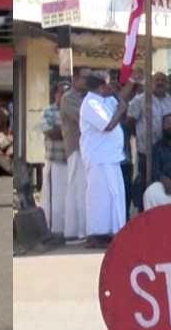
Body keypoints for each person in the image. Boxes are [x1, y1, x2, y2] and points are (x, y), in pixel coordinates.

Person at [79, 73, 131, 248]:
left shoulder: (104, 100)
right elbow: (108, 126)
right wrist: (121, 110)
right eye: (108, 85)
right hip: (99, 158)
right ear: (101, 87)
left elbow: (120, 101)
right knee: (100, 198)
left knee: (114, 196)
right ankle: (97, 234)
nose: (111, 87)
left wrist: (118, 93)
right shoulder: (91, 103)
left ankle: (113, 232)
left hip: (110, 157)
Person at [127, 73, 171, 211]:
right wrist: (140, 135)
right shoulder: (140, 100)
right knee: (146, 182)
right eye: (157, 80)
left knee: (164, 182)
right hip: (146, 150)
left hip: (167, 150)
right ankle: (144, 214)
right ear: (151, 82)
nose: (160, 83)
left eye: (163, 80)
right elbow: (130, 122)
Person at [58, 67, 89, 241]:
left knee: (86, 191)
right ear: (75, 79)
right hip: (76, 149)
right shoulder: (69, 98)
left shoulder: (86, 97)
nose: (87, 81)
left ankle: (85, 229)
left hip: (87, 151)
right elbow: (84, 118)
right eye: (85, 78)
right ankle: (78, 231)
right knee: (78, 191)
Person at [40, 82, 70, 235]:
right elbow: (50, 132)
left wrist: (63, 131)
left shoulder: (71, 110)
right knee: (54, 199)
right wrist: (68, 131)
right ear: (55, 95)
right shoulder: (48, 111)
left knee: (69, 198)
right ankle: (53, 229)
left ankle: (67, 229)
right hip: (55, 161)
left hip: (71, 161)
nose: (63, 96)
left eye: (66, 93)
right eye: (61, 93)